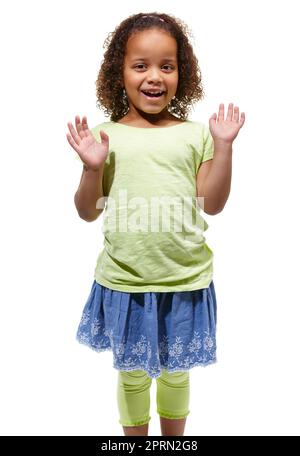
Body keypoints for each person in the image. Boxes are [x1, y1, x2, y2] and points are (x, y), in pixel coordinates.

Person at [66, 12, 245, 437]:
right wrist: (92, 169)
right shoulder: (105, 136)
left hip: (183, 279)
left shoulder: (195, 134)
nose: (154, 77)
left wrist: (223, 148)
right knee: (131, 374)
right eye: (140, 65)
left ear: (182, 73)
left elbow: (213, 204)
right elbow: (87, 211)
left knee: (176, 373)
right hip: (125, 281)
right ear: (119, 72)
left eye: (167, 66)